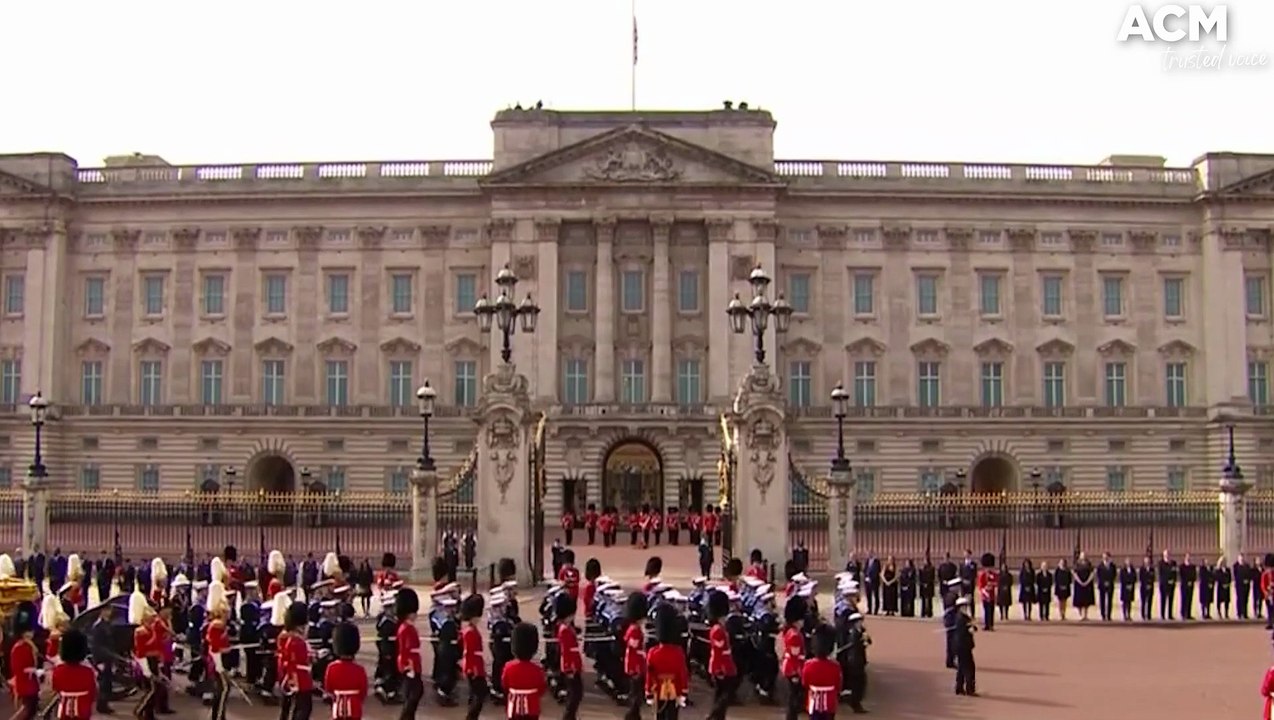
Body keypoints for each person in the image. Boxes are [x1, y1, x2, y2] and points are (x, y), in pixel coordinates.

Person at [645, 604, 688, 720]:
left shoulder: (652, 652)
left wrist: (648, 691)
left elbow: (650, 674)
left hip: (658, 688)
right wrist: (683, 691)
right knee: (673, 715)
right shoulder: (678, 652)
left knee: (659, 715)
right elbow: (682, 673)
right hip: (675, 688)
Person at [500, 623, 547, 720]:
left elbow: (505, 685)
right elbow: (541, 688)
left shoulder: (508, 667)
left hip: (513, 705)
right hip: (532, 706)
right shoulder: (537, 669)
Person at [130, 589, 163, 720]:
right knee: (152, 689)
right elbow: (141, 651)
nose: (153, 620)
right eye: (150, 618)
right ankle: (139, 710)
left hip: (153, 660)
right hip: (146, 662)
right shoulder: (140, 632)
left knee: (155, 689)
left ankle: (149, 714)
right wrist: (146, 670)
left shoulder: (150, 630)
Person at [277, 600, 313, 720]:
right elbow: (301, 660)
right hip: (299, 679)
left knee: (287, 708)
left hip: (288, 676)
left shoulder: (287, 636)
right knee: (303, 709)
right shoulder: (296, 640)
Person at [325, 622, 368, 720]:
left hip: (338, 704)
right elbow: (363, 692)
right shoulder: (359, 669)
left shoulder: (331, 667)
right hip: (354, 706)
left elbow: (329, 689)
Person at [50, 628, 96, 720]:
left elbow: (56, 688)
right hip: (83, 708)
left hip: (64, 709)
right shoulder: (87, 671)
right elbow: (92, 691)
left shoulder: (58, 670)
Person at [705, 590, 737, 720]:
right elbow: (719, 653)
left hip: (724, 665)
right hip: (721, 667)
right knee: (724, 696)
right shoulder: (718, 630)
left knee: (721, 696)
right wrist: (720, 669)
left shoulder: (720, 628)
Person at [203, 581, 232, 720]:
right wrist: (219, 665)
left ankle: (218, 715)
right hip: (217, 661)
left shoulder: (218, 625)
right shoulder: (217, 625)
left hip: (218, 659)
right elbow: (214, 648)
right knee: (224, 689)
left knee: (221, 690)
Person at [801, 624, 842, 719]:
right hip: (830, 701)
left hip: (813, 701)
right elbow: (838, 685)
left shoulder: (808, 664)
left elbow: (805, 683)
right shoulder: (835, 666)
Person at [8, 601, 41, 720]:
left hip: (31, 683)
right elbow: (18, 668)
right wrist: (36, 671)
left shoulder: (27, 645)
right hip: (25, 685)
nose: (32, 633)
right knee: (26, 711)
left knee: (31, 711)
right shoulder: (20, 647)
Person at [394, 588, 423, 720]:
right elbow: (404, 650)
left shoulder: (409, 627)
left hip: (413, 663)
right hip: (409, 665)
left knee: (414, 695)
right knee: (412, 695)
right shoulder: (405, 628)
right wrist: (408, 666)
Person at [554, 594, 583, 720]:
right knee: (575, 694)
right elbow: (566, 651)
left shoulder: (567, 628)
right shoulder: (564, 630)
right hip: (570, 666)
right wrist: (569, 668)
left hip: (574, 664)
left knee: (576, 694)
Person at [459, 594, 488, 720]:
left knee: (476, 695)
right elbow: (469, 652)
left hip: (476, 664)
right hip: (474, 666)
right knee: (478, 695)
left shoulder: (471, 629)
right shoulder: (470, 632)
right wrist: (474, 669)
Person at [621, 592, 649, 717]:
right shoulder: (634, 630)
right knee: (636, 695)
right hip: (635, 665)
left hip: (638, 664)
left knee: (638, 694)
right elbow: (634, 650)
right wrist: (637, 668)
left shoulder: (635, 628)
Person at [780, 596, 807, 720]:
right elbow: (795, 656)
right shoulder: (795, 635)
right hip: (793, 669)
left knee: (794, 699)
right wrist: (797, 673)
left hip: (791, 667)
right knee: (794, 699)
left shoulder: (791, 631)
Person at [952, 597, 977, 696]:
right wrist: (969, 630)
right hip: (963, 646)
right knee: (969, 667)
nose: (965, 608)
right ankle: (969, 688)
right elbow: (962, 632)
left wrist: (972, 627)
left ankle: (959, 687)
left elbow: (971, 626)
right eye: (963, 606)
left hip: (963, 646)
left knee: (962, 667)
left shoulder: (964, 617)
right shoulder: (960, 618)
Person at [975, 554, 997, 630]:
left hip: (991, 595)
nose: (988, 569)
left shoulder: (994, 574)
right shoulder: (982, 575)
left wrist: (992, 585)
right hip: (985, 595)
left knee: (991, 610)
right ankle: (987, 624)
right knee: (986, 610)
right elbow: (980, 584)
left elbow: (996, 582)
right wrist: (984, 589)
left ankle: (991, 624)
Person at [1096, 552, 1116, 621]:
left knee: (1110, 600)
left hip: (1110, 584)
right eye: (1104, 557)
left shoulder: (1112, 566)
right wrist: (1104, 582)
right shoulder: (1100, 566)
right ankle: (1103, 615)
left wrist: (1109, 582)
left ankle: (1109, 615)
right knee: (1102, 600)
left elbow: (1114, 575)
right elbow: (1099, 575)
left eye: (1106, 557)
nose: (1105, 558)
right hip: (1102, 585)